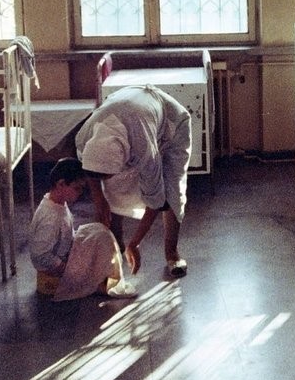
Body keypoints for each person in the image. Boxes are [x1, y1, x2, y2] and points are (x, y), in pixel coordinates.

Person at [75, 84, 191, 279]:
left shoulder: (144, 150)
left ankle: (172, 252)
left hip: (171, 122)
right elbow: (90, 171)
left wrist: (135, 243)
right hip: (129, 106)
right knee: (112, 189)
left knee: (172, 188)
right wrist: (99, 198)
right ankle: (116, 244)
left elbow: (156, 201)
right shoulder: (84, 138)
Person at [29, 157, 135, 300]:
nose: (80, 193)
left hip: (66, 251)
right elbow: (40, 255)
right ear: (61, 184)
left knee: (100, 232)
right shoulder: (50, 217)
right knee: (101, 239)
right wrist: (66, 268)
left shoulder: (57, 203)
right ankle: (97, 282)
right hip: (57, 267)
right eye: (77, 188)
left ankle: (103, 277)